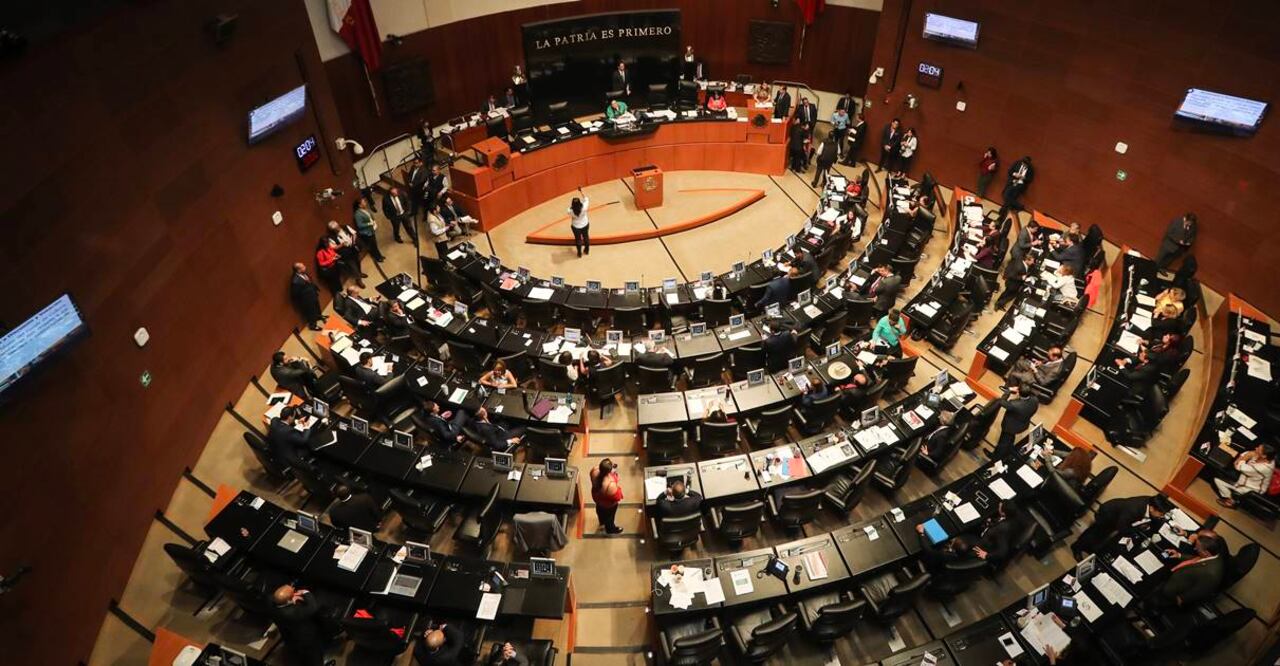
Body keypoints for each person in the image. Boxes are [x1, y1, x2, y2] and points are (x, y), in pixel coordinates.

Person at [1072, 494, 1173, 558]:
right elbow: (1122, 527)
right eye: (1161, 513)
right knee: (1095, 532)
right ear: (1152, 508)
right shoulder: (1134, 509)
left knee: (1101, 535)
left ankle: (1088, 546)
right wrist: (1137, 529)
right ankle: (1076, 546)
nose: (1162, 516)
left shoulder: (1150, 502)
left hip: (1119, 515)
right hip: (1108, 514)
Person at [1151, 532, 1226, 608]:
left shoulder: (1212, 574)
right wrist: (1179, 555)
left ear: (1206, 553)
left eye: (1197, 548)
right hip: (1173, 576)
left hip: (1171, 591)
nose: (1195, 548)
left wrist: (1182, 599)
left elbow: (1199, 591)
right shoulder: (1213, 555)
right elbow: (1197, 559)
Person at [271, 585, 333, 666]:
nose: (294, 590)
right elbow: (312, 608)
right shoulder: (293, 613)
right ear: (288, 600)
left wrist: (292, 600)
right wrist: (306, 592)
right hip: (307, 639)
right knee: (314, 657)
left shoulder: (272, 605)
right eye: (293, 592)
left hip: (290, 636)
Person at [993, 381, 1038, 459]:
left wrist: (1009, 390)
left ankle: (995, 458)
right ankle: (1008, 450)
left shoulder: (1014, 404)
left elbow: (1001, 401)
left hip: (1010, 427)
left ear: (1018, 392)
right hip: (1023, 424)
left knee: (1003, 443)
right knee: (1009, 439)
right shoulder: (1035, 400)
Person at [590, 458, 624, 534]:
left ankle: (601, 523)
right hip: (608, 505)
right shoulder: (610, 485)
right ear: (609, 472)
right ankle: (610, 529)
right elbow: (617, 497)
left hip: (598, 500)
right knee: (609, 517)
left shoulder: (594, 471)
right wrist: (616, 479)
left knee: (600, 511)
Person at [291, 263, 325, 330]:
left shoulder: (304, 273)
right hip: (307, 299)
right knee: (311, 312)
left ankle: (318, 316)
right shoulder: (296, 281)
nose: (305, 267)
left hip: (313, 294)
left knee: (317, 307)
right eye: (303, 267)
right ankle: (313, 326)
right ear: (298, 270)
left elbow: (310, 282)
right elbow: (295, 293)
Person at [562, 187, 592, 257]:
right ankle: (587, 250)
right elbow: (586, 198)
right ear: (580, 203)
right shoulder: (584, 207)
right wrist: (581, 191)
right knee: (586, 237)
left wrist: (573, 206)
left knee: (578, 240)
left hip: (576, 227)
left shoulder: (570, 211)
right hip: (585, 224)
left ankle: (579, 253)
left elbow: (569, 208)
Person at [352, 198, 384, 263]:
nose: (365, 203)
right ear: (359, 205)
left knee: (374, 244)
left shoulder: (364, 210)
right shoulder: (357, 214)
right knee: (372, 246)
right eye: (363, 202)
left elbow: (370, 216)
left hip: (371, 231)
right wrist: (370, 223)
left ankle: (379, 255)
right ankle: (377, 258)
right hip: (366, 233)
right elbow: (360, 225)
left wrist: (373, 221)